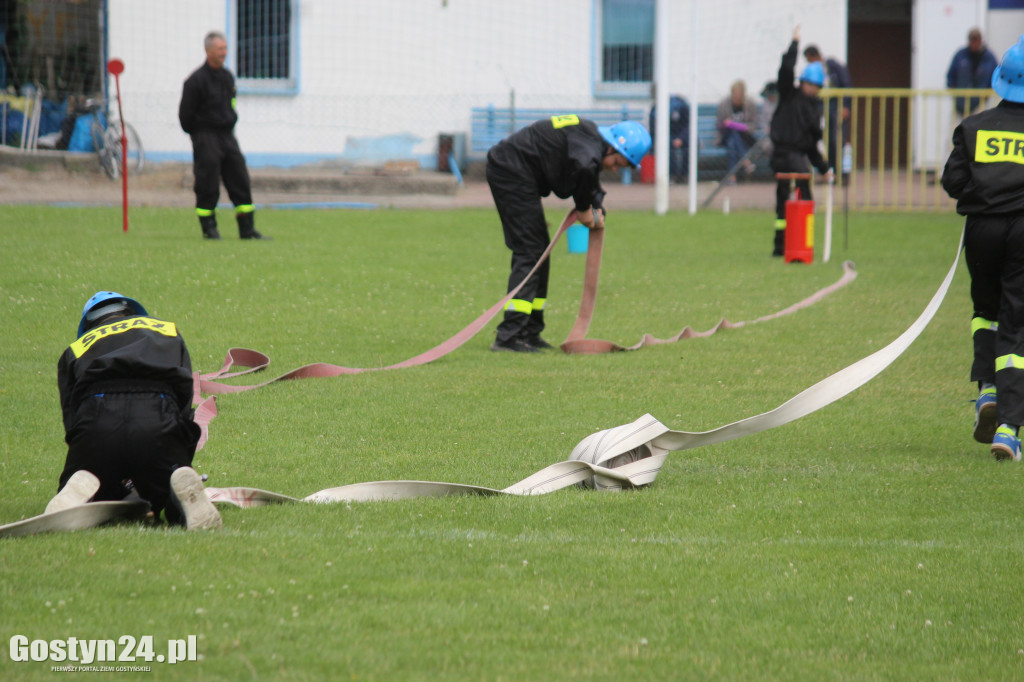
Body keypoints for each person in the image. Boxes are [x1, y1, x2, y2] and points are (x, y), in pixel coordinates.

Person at [46, 291, 222, 529]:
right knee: (164, 490)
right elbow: (184, 401)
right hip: (157, 414)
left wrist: (86, 453)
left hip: (97, 420)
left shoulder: (75, 349)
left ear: (88, 324)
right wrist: (178, 450)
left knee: (95, 477)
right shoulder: (168, 330)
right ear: (131, 312)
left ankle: (81, 484)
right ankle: (177, 491)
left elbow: (72, 420)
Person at [486, 116, 651, 353]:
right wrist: (585, 209)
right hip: (510, 170)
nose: (614, 168)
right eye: (617, 162)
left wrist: (597, 209)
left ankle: (530, 332)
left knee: (539, 251)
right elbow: (584, 168)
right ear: (612, 146)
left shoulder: (590, 140)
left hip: (519, 172)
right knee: (530, 251)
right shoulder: (589, 148)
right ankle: (509, 336)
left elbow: (588, 179)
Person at [941, 35, 1024, 461]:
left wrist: (983, 193)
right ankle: (1009, 428)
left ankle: (986, 388)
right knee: (1016, 325)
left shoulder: (973, 127)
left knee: (984, 314)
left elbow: (952, 183)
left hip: (982, 233)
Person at [179, 31, 268, 241]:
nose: (224, 53)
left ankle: (247, 229)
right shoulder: (195, 81)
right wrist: (200, 136)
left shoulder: (228, 78)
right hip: (205, 136)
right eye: (220, 49)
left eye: (225, 49)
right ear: (209, 51)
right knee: (207, 182)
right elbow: (185, 117)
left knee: (240, 178)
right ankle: (209, 229)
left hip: (227, 136)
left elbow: (232, 105)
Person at [768, 26, 833, 257]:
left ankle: (800, 242)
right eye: (810, 85)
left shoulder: (814, 111)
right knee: (784, 197)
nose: (813, 89)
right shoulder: (789, 93)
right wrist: (795, 44)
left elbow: (812, 146)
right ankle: (780, 245)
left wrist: (825, 168)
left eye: (816, 87)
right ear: (803, 82)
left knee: (803, 192)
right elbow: (786, 69)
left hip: (798, 156)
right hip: (782, 153)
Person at [803, 44, 852, 170]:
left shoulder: (832, 66)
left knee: (837, 140)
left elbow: (846, 84)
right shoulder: (812, 71)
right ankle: (831, 170)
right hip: (821, 108)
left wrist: (846, 105)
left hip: (836, 107)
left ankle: (841, 171)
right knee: (827, 140)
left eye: (809, 59)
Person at [947, 27, 999, 118]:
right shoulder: (960, 55)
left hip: (979, 106)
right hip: (959, 105)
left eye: (977, 39)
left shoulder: (989, 58)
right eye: (972, 39)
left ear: (980, 40)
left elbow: (996, 77)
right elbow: (951, 76)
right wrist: (956, 95)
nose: (974, 42)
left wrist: (986, 96)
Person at [715, 80, 760, 180]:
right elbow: (719, 124)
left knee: (733, 142)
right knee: (732, 133)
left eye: (739, 94)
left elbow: (755, 124)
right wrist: (725, 123)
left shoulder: (750, 104)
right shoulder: (724, 104)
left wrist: (743, 127)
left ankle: (732, 176)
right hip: (726, 136)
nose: (737, 97)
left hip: (745, 137)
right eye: (735, 94)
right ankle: (746, 162)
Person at [648, 94, 689, 181]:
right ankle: (671, 175)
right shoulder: (655, 109)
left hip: (682, 135)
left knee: (693, 144)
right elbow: (653, 129)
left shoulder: (680, 106)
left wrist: (680, 138)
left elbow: (687, 126)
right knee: (666, 144)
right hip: (667, 136)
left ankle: (685, 175)